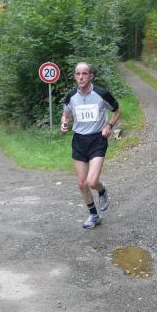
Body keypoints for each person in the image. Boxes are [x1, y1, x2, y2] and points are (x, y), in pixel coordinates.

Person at [60, 62, 121, 228]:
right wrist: (64, 123)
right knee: (82, 184)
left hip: (97, 140)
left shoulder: (101, 94)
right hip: (79, 141)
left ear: (91, 76)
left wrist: (109, 126)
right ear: (75, 76)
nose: (81, 77)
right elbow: (66, 115)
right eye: (77, 74)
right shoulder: (71, 96)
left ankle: (102, 190)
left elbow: (117, 110)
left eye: (84, 74)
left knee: (92, 182)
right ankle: (94, 215)